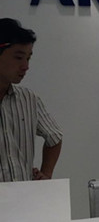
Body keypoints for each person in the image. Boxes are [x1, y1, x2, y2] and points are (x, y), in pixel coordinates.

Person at [0, 18, 62, 182]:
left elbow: (54, 137)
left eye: (28, 58)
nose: (25, 66)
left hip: (24, 194)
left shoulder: (29, 99)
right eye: (18, 57)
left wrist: (46, 174)